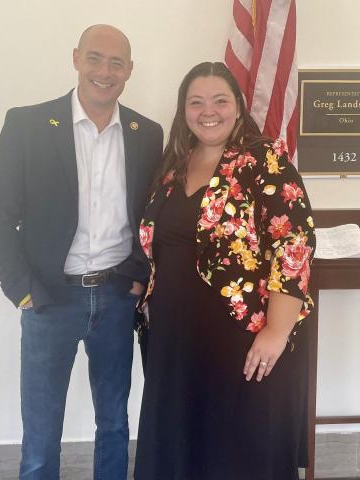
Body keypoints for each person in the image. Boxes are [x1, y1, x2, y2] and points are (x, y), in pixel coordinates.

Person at [0, 25, 163, 480]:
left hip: (117, 298)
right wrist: (21, 290)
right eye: (96, 58)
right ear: (76, 58)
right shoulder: (27, 125)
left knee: (114, 426)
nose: (105, 71)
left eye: (117, 62)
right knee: (41, 437)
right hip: (49, 300)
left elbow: (151, 214)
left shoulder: (147, 133)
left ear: (130, 70)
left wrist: (139, 278)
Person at [134, 62, 316, 480]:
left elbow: (295, 244)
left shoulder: (264, 159)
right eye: (195, 102)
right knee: (183, 445)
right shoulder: (173, 165)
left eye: (219, 100)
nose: (207, 111)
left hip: (241, 336)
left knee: (238, 450)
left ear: (238, 107)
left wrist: (276, 331)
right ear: (184, 110)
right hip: (176, 341)